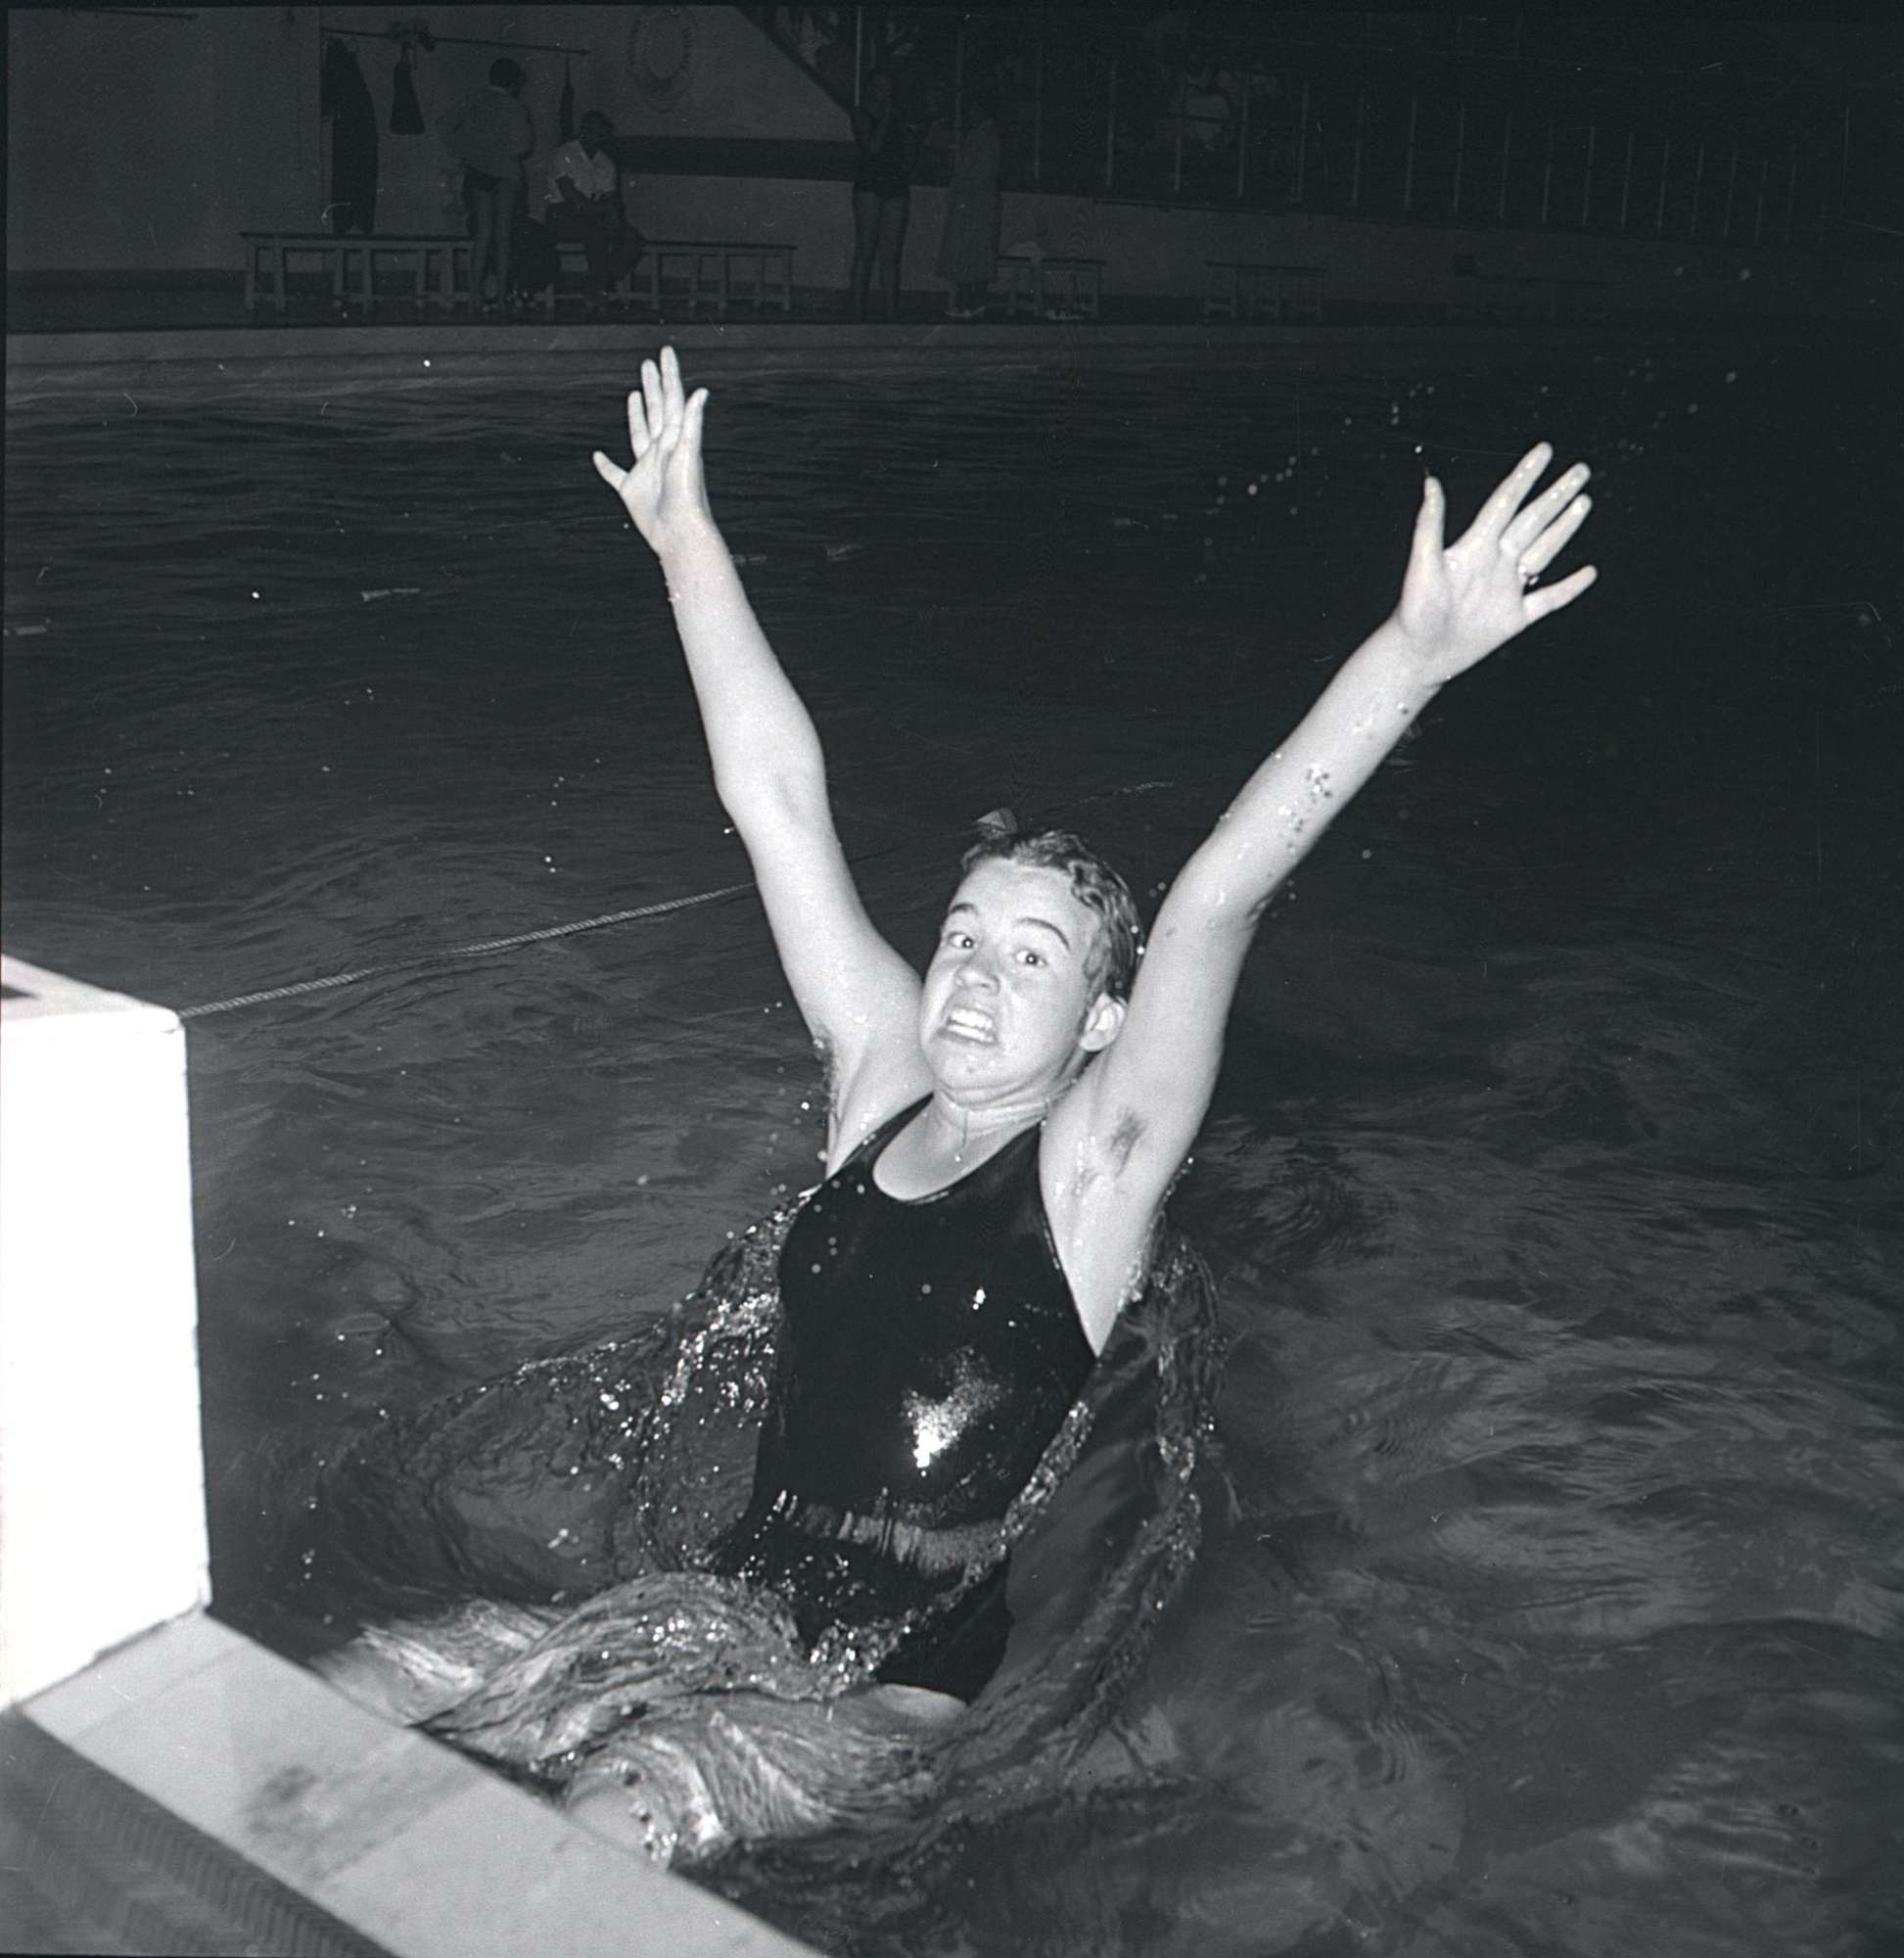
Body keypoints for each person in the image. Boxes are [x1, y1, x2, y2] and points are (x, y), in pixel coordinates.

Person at [313, 348, 1596, 1856]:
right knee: (366, 1681)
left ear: (1102, 1020)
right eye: (965, 935)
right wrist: (686, 542)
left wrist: (1410, 658)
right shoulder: (877, 1078)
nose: (977, 974)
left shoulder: (1096, 1168)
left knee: (623, 1803)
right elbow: (777, 803)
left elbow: (1219, 899)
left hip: (893, 1691)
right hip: (719, 1611)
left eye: (1033, 956)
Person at [440, 58, 534, 311]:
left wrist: (463, 150)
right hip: (505, 173)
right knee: (503, 237)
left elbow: (444, 124)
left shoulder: (473, 100)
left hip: (479, 172)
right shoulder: (515, 107)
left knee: (482, 236)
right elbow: (523, 146)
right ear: (514, 83)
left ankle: (474, 296)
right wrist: (502, 150)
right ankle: (502, 298)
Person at [542, 110, 644, 304]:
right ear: (582, 130)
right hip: (562, 213)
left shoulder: (606, 162)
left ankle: (596, 282)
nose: (592, 135)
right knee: (595, 232)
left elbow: (610, 196)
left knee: (632, 238)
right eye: (589, 129)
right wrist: (601, 211)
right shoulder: (564, 153)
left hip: (593, 215)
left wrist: (613, 214)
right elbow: (569, 194)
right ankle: (598, 288)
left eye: (598, 131)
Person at [850, 70, 919, 320]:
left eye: (888, 87)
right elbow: (872, 147)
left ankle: (892, 313)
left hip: (896, 185)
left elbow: (911, 148)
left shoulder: (898, 117)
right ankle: (857, 311)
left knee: (891, 255)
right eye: (879, 86)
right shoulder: (860, 114)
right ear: (870, 88)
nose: (885, 91)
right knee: (865, 250)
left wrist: (902, 129)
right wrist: (887, 118)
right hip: (869, 186)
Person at [937, 90, 1001, 319]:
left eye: (974, 109)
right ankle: (971, 302)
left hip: (977, 205)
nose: (970, 114)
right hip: (973, 204)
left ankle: (970, 303)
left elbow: (979, 175)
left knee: (972, 255)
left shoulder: (988, 136)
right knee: (972, 255)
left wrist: (960, 188)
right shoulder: (978, 135)